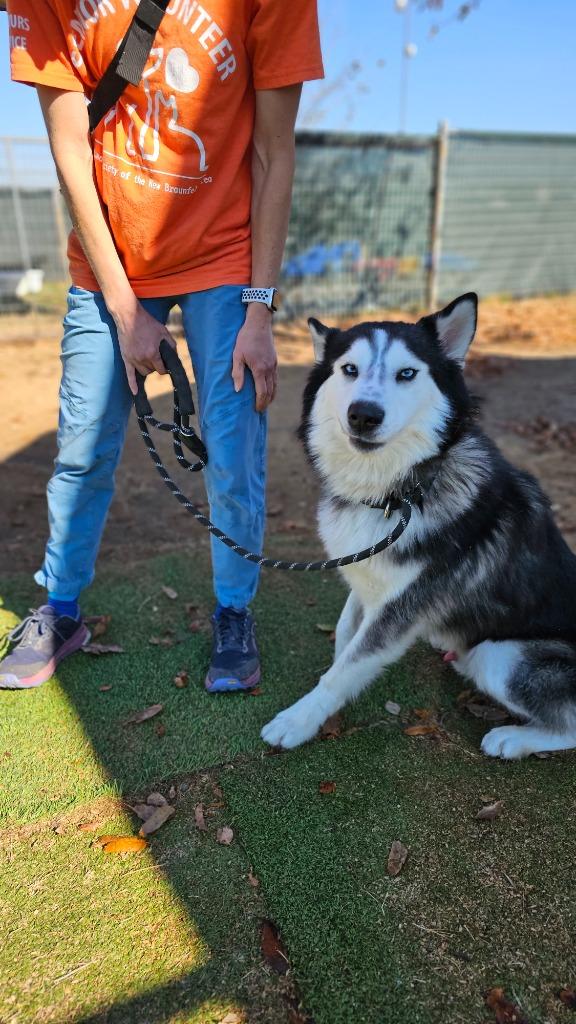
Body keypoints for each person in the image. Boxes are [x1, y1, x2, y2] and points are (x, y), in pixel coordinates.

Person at [1, 0, 323, 692]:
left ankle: (234, 613)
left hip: (226, 259)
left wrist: (260, 311)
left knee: (232, 449)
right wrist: (123, 308)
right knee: (83, 446)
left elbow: (273, 150)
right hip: (108, 258)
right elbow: (68, 148)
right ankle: (60, 609)